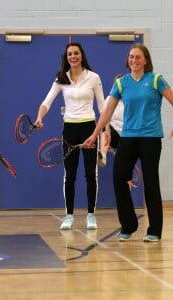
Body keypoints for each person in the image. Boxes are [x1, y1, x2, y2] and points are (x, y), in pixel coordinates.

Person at [84, 43, 173, 242]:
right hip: (128, 137)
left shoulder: (156, 80)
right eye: (131, 57)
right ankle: (129, 225)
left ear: (146, 60)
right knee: (119, 177)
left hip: (150, 139)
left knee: (151, 183)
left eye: (138, 57)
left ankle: (154, 231)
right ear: (128, 60)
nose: (134, 60)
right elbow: (106, 112)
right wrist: (94, 134)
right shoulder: (122, 83)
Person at [34, 42, 105, 231]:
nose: (73, 56)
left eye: (76, 53)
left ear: (82, 56)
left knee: (91, 174)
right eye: (69, 54)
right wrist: (40, 117)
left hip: (89, 128)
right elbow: (46, 101)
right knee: (70, 175)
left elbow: (102, 106)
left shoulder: (94, 78)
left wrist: (103, 132)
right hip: (70, 130)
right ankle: (69, 215)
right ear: (66, 58)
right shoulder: (61, 79)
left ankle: (91, 215)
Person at [97, 73, 124, 167]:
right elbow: (105, 116)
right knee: (103, 125)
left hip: (126, 137)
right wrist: (107, 130)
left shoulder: (131, 100)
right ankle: (103, 155)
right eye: (117, 85)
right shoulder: (109, 99)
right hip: (112, 134)